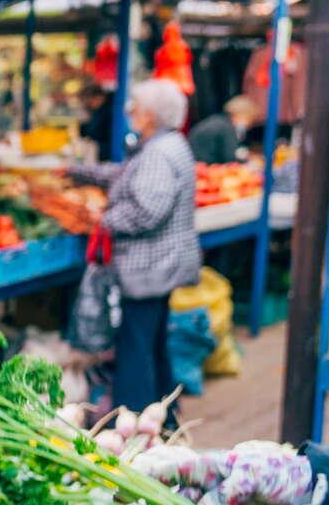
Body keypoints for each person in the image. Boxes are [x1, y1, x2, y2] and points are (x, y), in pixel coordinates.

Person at [67, 80, 201, 412]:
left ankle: (134, 418)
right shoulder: (169, 144)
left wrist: (103, 219)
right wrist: (81, 173)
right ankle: (165, 412)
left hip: (148, 268)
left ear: (152, 116)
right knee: (152, 341)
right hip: (162, 265)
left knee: (136, 346)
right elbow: (128, 175)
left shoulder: (157, 153)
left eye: (136, 108)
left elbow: (147, 211)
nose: (130, 113)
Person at [187, 96, 259, 165]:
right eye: (250, 120)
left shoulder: (220, 120)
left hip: (194, 160)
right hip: (203, 165)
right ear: (241, 114)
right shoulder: (227, 128)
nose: (249, 125)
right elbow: (229, 157)